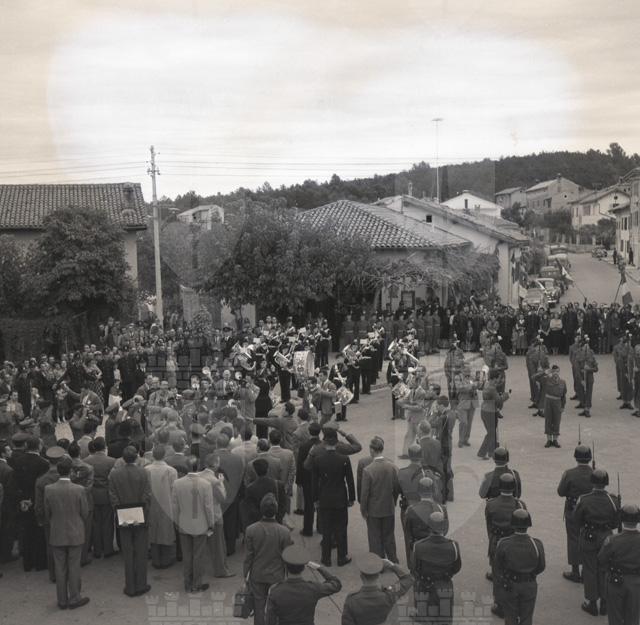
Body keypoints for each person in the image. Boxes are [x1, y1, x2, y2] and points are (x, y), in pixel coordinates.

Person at [44, 456, 90, 610]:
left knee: (59, 567)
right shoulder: (79, 489)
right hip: (75, 532)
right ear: (71, 471)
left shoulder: (49, 489)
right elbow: (85, 512)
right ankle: (75, 597)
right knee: (74, 566)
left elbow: (47, 513)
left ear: (58, 471)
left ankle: (62, 600)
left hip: (57, 532)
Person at [574, 468, 621, 616]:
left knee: (589, 569)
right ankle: (605, 602)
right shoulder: (613, 500)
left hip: (589, 535)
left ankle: (592, 603)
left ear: (592, 482)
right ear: (606, 483)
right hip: (606, 536)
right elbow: (616, 523)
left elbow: (577, 520)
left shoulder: (584, 499)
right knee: (605, 569)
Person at [108, 446, 151, 597]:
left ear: (123, 458)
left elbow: (112, 495)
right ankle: (141, 584)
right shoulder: (144, 472)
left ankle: (130, 586)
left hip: (123, 513)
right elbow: (147, 495)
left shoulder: (114, 474)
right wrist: (144, 511)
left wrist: (118, 510)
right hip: (140, 512)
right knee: (141, 550)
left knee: (127, 552)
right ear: (137, 457)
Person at [243, 493, 293, 625]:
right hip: (276, 576)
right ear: (276, 511)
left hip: (257, 575)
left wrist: (246, 575)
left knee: (259, 608)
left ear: (261, 509)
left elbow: (248, 556)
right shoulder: (284, 532)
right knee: (275, 608)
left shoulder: (251, 530)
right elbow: (287, 557)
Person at [311, 427, 355, 567]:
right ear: (336, 442)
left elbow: (314, 482)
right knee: (341, 528)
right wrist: (351, 498)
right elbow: (349, 480)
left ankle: (326, 557)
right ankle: (342, 557)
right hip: (340, 498)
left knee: (327, 528)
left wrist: (315, 499)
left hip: (324, 498)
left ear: (324, 442)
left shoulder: (318, 460)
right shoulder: (344, 459)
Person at [265, 544, 342, 625]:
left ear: (286, 567)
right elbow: (336, 584)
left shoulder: (276, 591)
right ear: (303, 568)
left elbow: (270, 621)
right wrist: (319, 567)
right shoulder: (313, 588)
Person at [485, 473, 527, 618]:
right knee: (513, 571)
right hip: (513, 540)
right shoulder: (520, 505)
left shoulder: (491, 504)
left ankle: (499, 605)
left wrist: (492, 540)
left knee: (497, 574)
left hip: (497, 540)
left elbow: (489, 526)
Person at [494, 509, 546, 625]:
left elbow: (498, 566)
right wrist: (530, 574)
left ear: (512, 525)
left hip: (510, 584)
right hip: (529, 584)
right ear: (528, 525)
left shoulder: (504, 543)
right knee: (526, 617)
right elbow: (541, 566)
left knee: (510, 617)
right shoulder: (536, 544)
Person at [172, 457, 215, 593]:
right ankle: (197, 583)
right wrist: (211, 523)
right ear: (199, 466)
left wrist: (176, 522)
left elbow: (175, 506)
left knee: (187, 555)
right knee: (198, 555)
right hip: (200, 524)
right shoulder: (205, 484)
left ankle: (187, 582)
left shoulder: (177, 483)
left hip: (184, 523)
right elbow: (208, 507)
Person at [412, 511, 461, 624]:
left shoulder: (418, 546)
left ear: (429, 527)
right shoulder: (453, 546)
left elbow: (415, 568)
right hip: (444, 585)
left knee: (426, 618)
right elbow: (457, 567)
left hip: (425, 585)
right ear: (444, 527)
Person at [341, 553, 413, 625]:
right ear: (378, 575)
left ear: (361, 577)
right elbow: (408, 579)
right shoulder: (390, 595)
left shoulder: (352, 600)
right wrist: (391, 565)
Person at [597, 504, 640, 625]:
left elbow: (601, 559)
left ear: (621, 519)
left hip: (616, 582)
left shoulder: (612, 540)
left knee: (615, 617)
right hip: (636, 582)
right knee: (633, 617)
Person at [359, 436, 400, 562]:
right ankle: (393, 560)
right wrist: (393, 501)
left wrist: (363, 510)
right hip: (388, 507)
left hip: (374, 510)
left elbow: (364, 494)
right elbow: (396, 488)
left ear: (372, 450)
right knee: (389, 536)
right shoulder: (392, 467)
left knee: (374, 537)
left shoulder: (368, 470)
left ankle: (377, 562)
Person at [557, 443, 594, 583]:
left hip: (573, 508)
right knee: (587, 538)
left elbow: (561, 492)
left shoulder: (569, 473)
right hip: (590, 509)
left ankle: (575, 571)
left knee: (573, 538)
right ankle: (586, 570)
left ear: (576, 457)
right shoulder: (594, 473)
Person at [198, 452, 232, 578]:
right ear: (216, 464)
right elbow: (222, 498)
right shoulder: (214, 480)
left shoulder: (198, 476)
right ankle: (221, 570)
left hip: (200, 515)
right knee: (218, 545)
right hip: (214, 515)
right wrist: (221, 482)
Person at [144, 445, 178, 569]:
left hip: (151, 504)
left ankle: (156, 559)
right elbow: (174, 490)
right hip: (167, 504)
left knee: (153, 531)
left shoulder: (146, 470)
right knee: (166, 532)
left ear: (153, 455)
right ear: (164, 455)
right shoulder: (171, 471)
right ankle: (166, 559)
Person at [403, 477, 449, 567]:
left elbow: (408, 534)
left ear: (419, 492)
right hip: (437, 546)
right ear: (433, 491)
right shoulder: (441, 508)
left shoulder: (411, 509)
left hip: (418, 547)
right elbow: (445, 530)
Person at [83, 436, 117, 559]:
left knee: (95, 523)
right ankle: (108, 548)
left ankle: (97, 549)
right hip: (106, 494)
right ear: (104, 447)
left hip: (92, 494)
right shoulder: (111, 461)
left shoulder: (86, 461)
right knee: (108, 522)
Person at [477, 369, 509, 460]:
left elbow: (495, 386)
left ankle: (492, 451)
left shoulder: (487, 384)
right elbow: (498, 400)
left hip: (485, 410)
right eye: (498, 378)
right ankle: (482, 453)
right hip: (490, 412)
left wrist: (501, 382)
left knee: (492, 432)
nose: (498, 380)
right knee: (491, 433)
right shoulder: (492, 388)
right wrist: (505, 396)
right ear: (494, 378)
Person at [534, 365, 567, 448]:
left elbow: (563, 396)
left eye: (557, 371)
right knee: (548, 420)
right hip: (548, 402)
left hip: (558, 402)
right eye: (554, 371)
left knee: (557, 420)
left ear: (559, 372)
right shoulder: (546, 379)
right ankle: (549, 440)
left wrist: (563, 406)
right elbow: (534, 378)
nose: (556, 373)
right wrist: (544, 372)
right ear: (552, 372)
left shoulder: (563, 382)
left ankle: (555, 440)